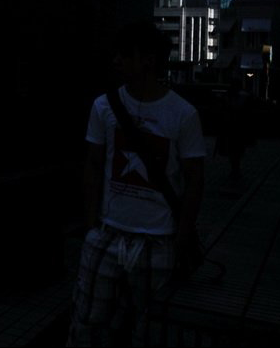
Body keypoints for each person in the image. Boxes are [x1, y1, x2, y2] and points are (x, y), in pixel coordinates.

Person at [67, 21, 206, 347]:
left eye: (125, 54)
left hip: (157, 243)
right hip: (108, 235)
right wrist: (92, 227)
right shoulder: (104, 106)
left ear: (148, 60)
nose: (116, 60)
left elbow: (195, 180)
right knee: (89, 324)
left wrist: (180, 241)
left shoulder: (183, 114)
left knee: (148, 332)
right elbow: (92, 165)